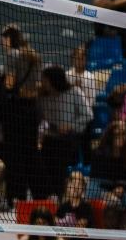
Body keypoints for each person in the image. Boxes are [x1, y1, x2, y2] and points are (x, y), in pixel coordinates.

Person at [0, 24, 41, 203]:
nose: (2, 44)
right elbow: (37, 86)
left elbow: (9, 83)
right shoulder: (34, 56)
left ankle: (17, 197)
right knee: (30, 155)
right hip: (32, 111)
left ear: (8, 39)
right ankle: (36, 198)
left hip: (16, 112)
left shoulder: (12, 55)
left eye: (3, 40)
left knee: (15, 156)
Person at [38, 66, 93, 198]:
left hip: (70, 136)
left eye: (45, 80)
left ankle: (58, 193)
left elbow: (88, 115)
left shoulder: (74, 92)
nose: (43, 83)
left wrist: (70, 126)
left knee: (57, 155)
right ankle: (47, 194)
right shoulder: (43, 97)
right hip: (51, 135)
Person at [89, 121, 126, 231]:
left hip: (119, 192)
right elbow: (96, 178)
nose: (121, 137)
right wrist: (110, 191)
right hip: (99, 190)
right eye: (117, 134)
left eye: (123, 134)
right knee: (92, 188)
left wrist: (121, 187)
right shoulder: (99, 153)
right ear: (111, 136)